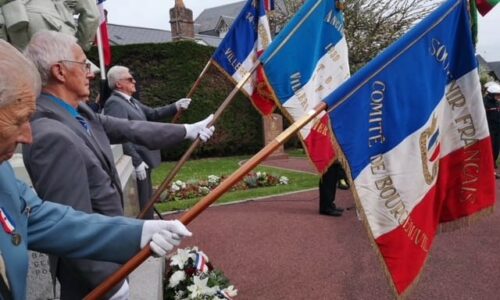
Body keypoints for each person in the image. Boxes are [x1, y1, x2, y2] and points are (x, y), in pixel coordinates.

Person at [21, 30, 214, 299]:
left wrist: (186, 130)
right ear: (60, 72)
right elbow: (71, 225)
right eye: (84, 64)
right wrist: (109, 284)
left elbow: (132, 128)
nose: (91, 73)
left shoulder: (80, 112)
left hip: (109, 257)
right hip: (91, 282)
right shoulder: (50, 135)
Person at [103, 65, 192, 219]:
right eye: (130, 79)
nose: (134, 81)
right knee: (142, 203)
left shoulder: (130, 101)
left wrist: (175, 106)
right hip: (138, 161)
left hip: (144, 159)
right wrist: (136, 161)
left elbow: (152, 113)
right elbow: (119, 134)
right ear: (119, 84)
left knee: (146, 199)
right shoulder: (115, 103)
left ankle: (148, 229)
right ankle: (147, 235)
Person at [484, 83, 500, 178]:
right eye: (497, 94)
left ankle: (491, 170)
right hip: (489, 132)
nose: (498, 96)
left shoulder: (497, 103)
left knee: (496, 151)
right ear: (491, 94)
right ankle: (488, 172)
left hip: (497, 131)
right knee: (488, 151)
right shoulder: (485, 103)